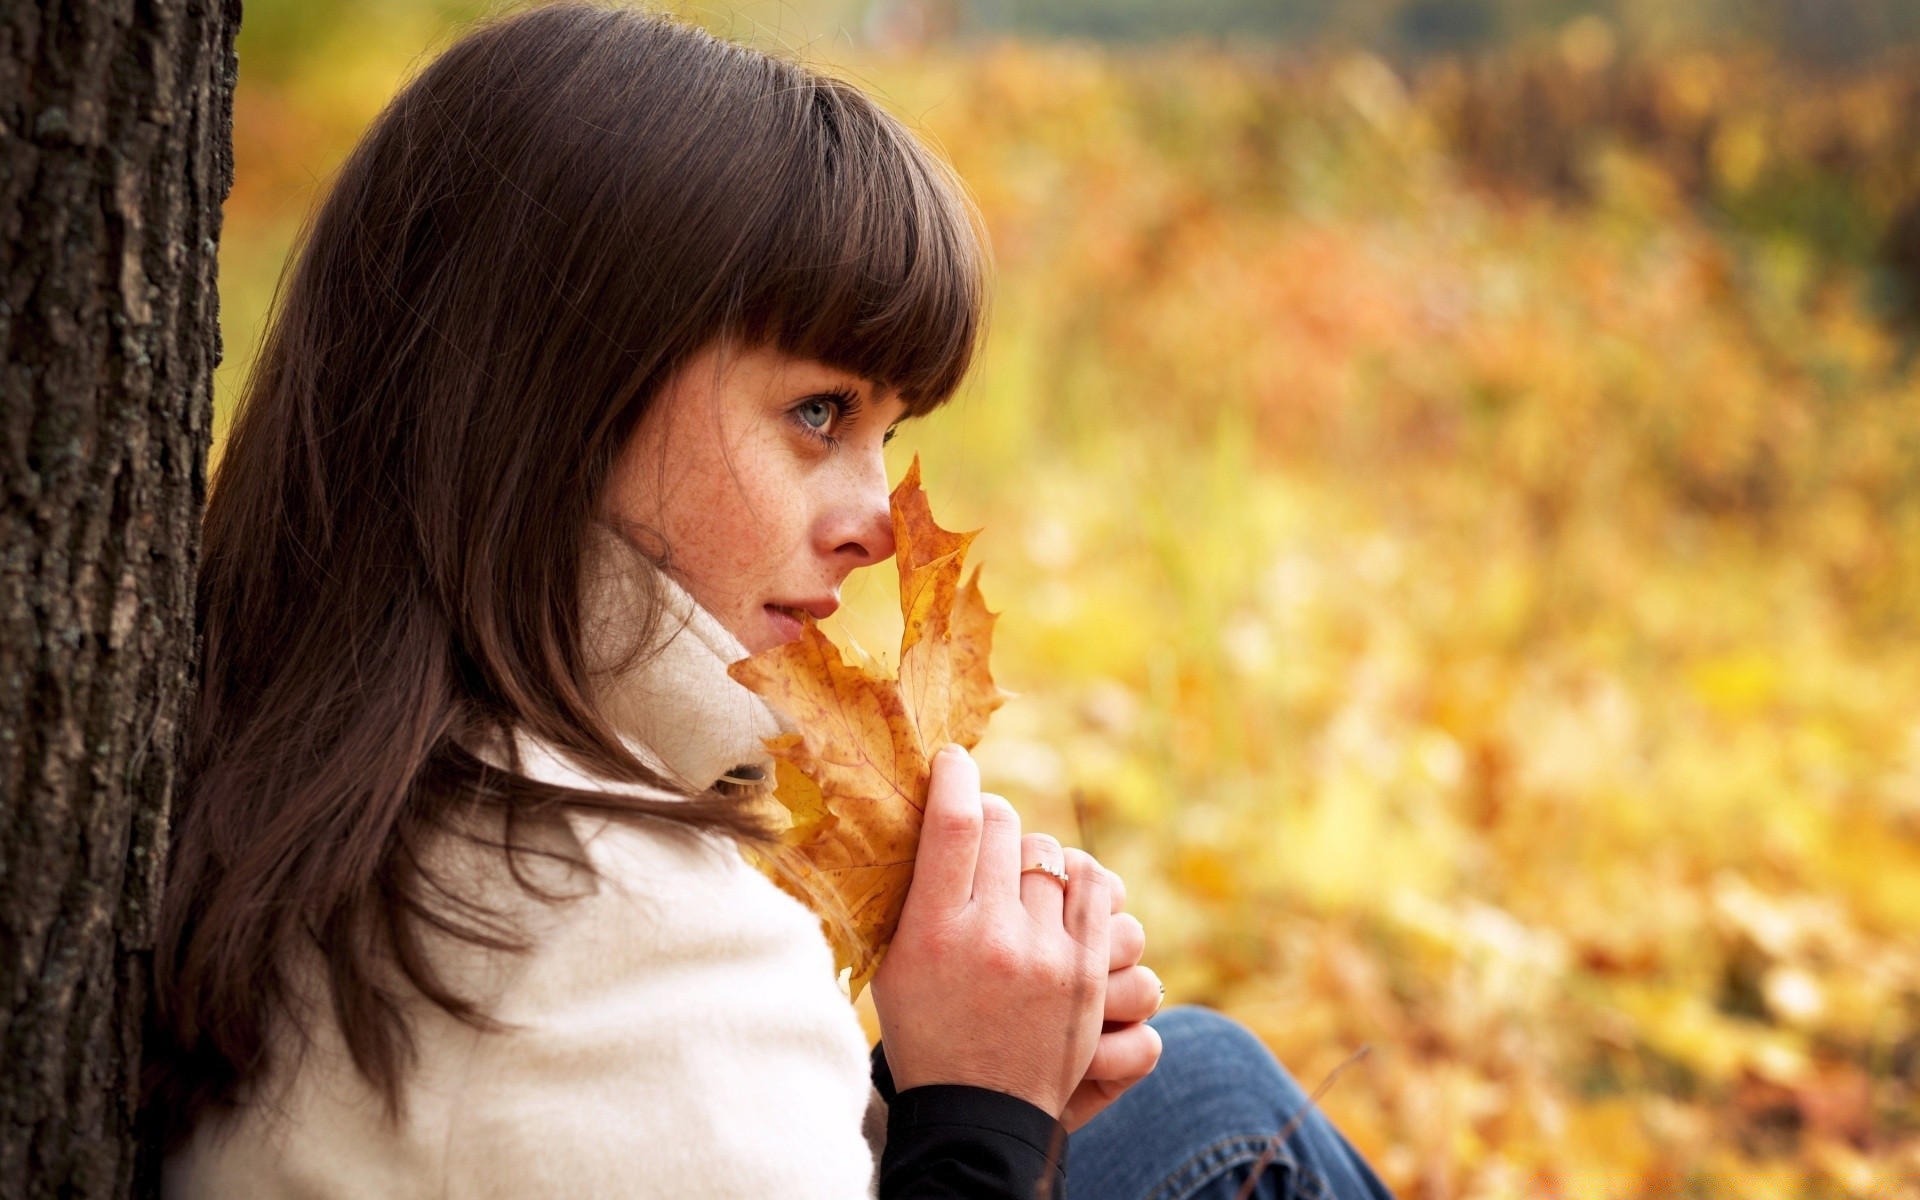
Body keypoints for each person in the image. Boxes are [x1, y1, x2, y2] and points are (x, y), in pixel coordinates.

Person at [147, 5, 1398, 1198]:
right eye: (818, 413)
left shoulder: (330, 754)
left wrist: (935, 1086)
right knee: (1231, 1123)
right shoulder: (617, 934)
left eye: (889, 431)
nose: (874, 521)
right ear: (558, 395)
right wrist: (984, 1120)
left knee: (1205, 1091)